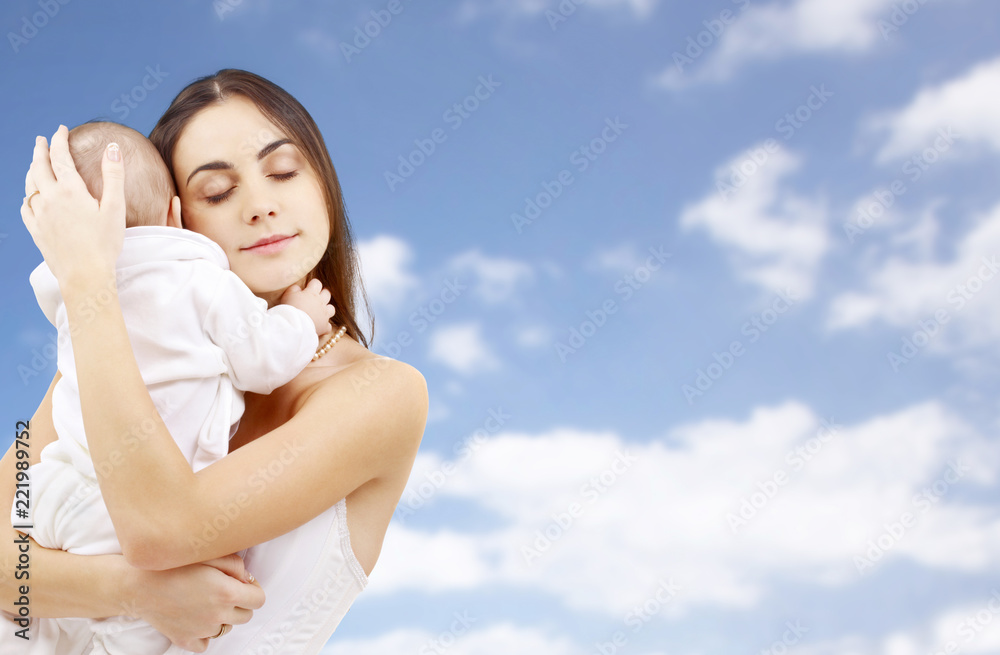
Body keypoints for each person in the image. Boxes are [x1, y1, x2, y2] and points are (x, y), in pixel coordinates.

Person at [2, 69, 428, 654]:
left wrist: (87, 284)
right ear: (170, 220)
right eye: (218, 192)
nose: (260, 206)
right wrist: (134, 594)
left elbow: (162, 530)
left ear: (323, 184)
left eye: (283, 172)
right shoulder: (102, 358)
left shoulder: (383, 393)